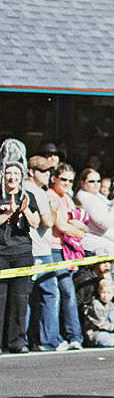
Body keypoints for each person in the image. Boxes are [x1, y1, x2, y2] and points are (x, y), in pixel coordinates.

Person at [0, 139, 41, 354]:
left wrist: (24, 210)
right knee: (1, 300)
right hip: (2, 254)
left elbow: (35, 223)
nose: (12, 178)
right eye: (8, 174)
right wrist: (7, 213)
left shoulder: (28, 196)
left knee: (19, 301)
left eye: (16, 175)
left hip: (22, 253)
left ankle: (16, 342)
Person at [48, 163, 86, 351]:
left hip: (67, 250)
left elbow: (83, 226)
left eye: (71, 180)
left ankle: (74, 336)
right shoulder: (50, 196)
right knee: (55, 295)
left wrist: (75, 227)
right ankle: (56, 338)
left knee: (68, 294)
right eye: (63, 179)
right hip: (53, 249)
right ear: (54, 178)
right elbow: (61, 226)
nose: (67, 183)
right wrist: (75, 228)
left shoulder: (68, 199)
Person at [25, 156, 60, 351]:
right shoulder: (37, 192)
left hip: (31, 249)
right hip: (40, 250)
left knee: (29, 296)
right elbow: (47, 222)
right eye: (43, 171)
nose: (48, 175)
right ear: (31, 172)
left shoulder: (25, 189)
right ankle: (49, 340)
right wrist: (54, 209)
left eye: (49, 171)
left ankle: (27, 339)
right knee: (50, 294)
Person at [76, 167, 114, 255]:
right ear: (82, 183)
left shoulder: (94, 194)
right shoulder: (85, 197)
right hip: (97, 247)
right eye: (91, 181)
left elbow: (109, 205)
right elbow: (105, 223)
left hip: (106, 245)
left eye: (98, 181)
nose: (96, 184)